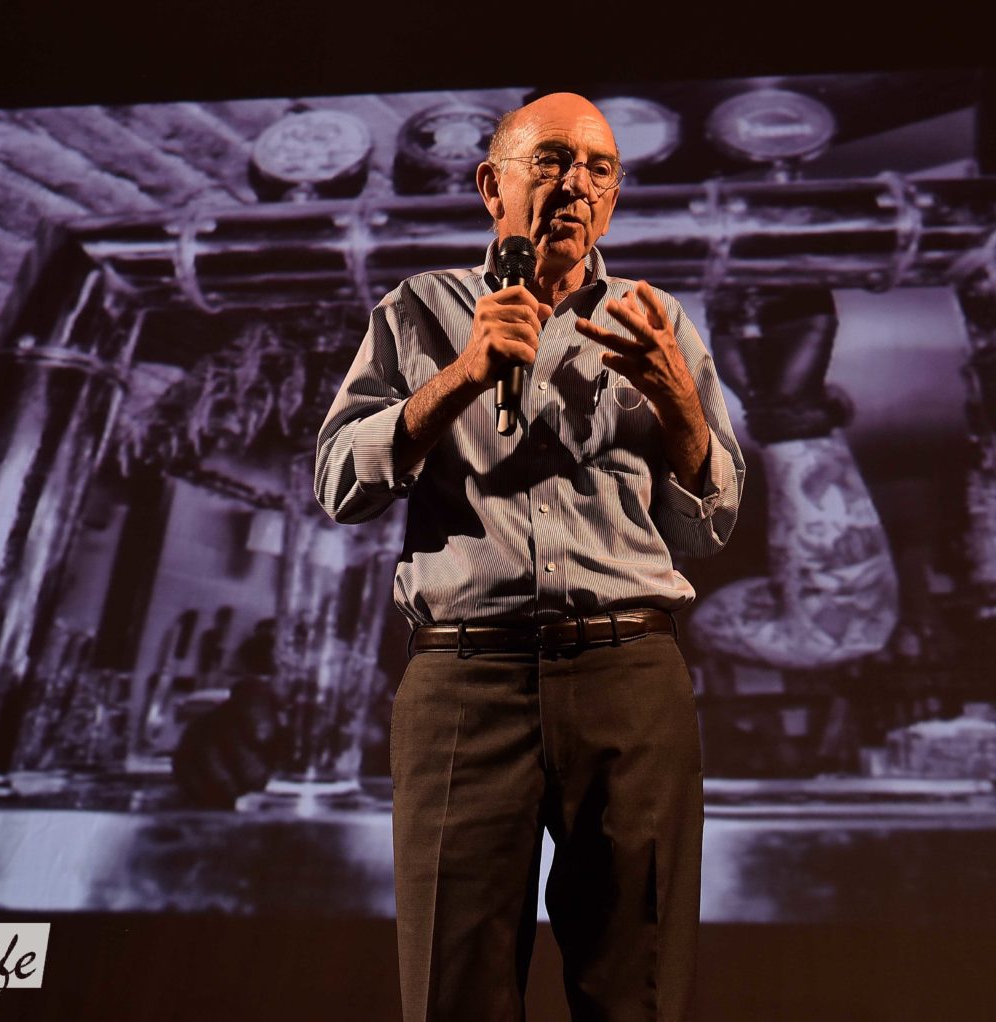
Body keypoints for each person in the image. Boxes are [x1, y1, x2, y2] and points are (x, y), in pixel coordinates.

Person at [313, 92, 742, 1022]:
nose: (576, 185)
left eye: (599, 169)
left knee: (638, 990)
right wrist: (462, 375)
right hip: (466, 683)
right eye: (551, 160)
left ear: (614, 197)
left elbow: (712, 522)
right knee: (454, 989)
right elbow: (340, 482)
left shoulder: (656, 319)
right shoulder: (419, 310)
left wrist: (681, 407)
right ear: (491, 184)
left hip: (629, 677)